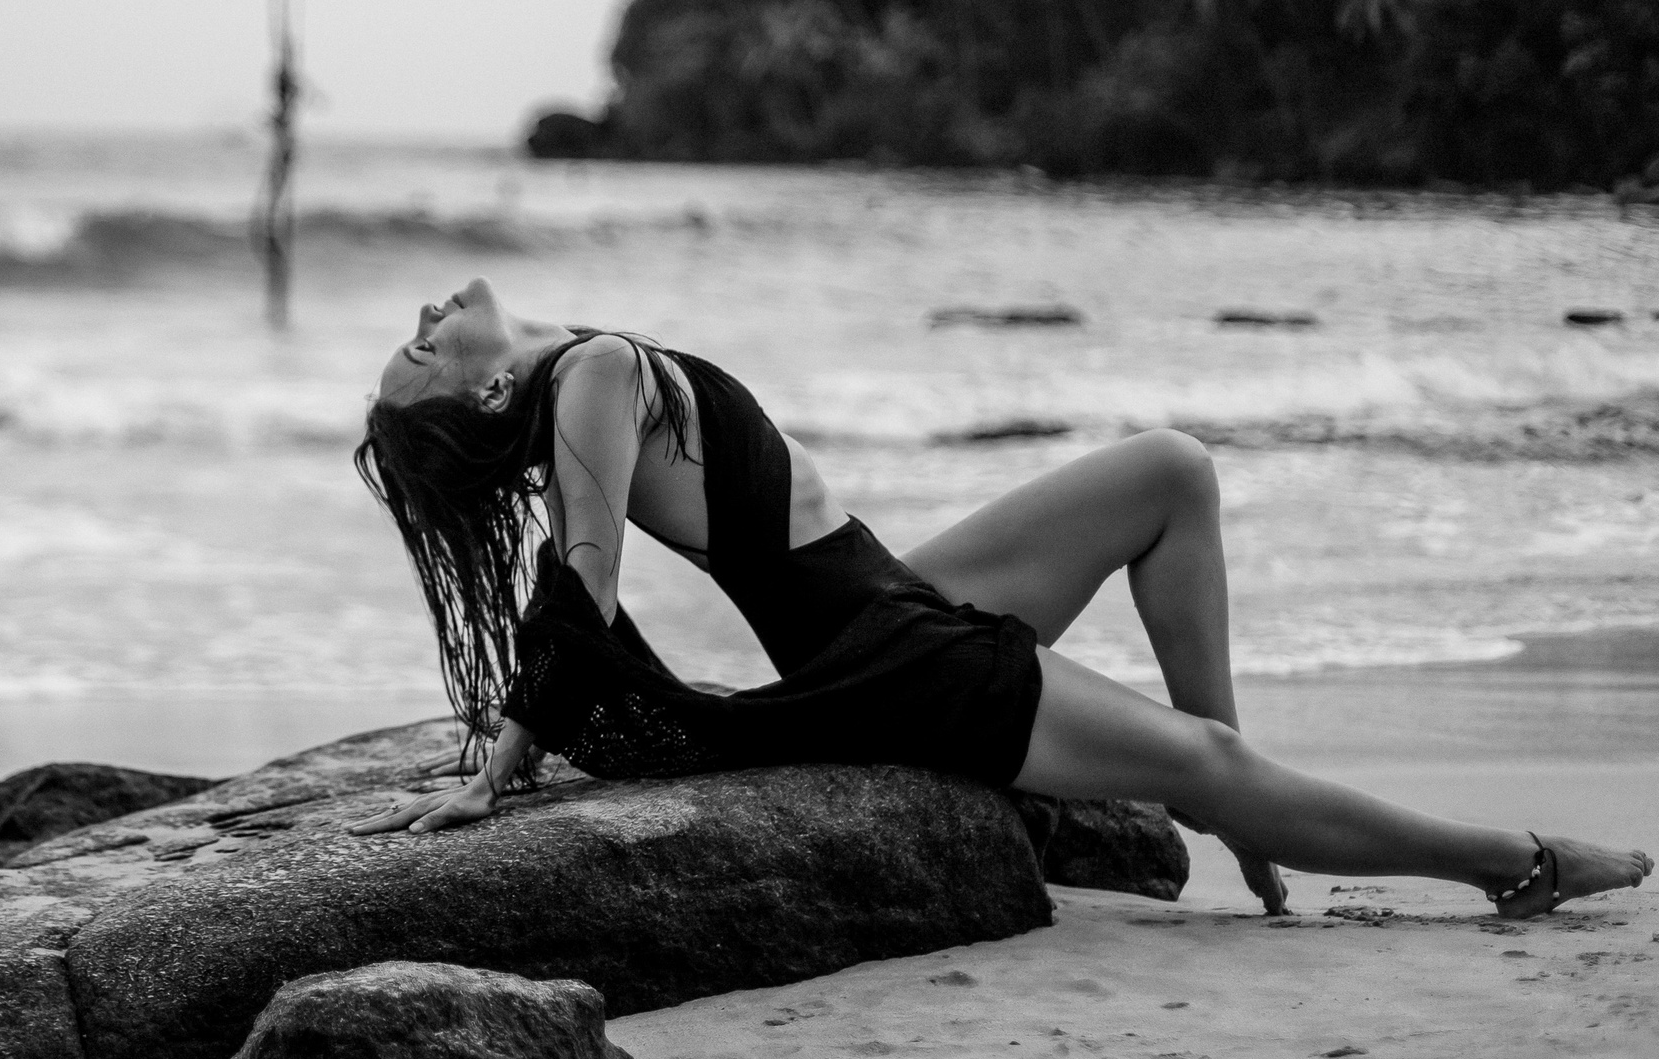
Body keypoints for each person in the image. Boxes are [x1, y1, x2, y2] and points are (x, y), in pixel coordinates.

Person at [347, 278, 1650, 921]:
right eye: (419, 347)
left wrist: (506, 749)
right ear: (471, 394)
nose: (424, 310)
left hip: (898, 592)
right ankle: (1511, 862)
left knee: (1171, 471)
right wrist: (504, 756)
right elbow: (579, 579)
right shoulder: (584, 379)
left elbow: (567, 578)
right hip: (894, 656)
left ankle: (1240, 797)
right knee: (1191, 755)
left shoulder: (591, 366)